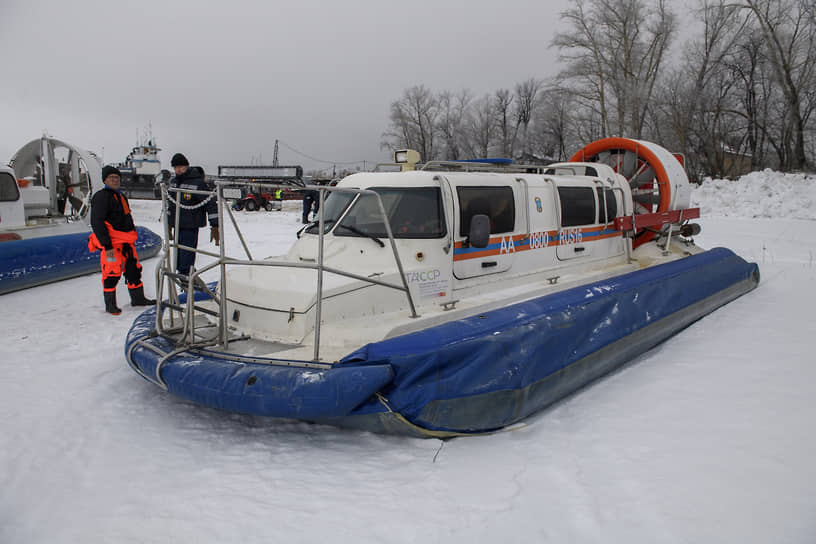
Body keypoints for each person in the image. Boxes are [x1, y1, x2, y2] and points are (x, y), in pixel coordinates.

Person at [89, 165, 156, 315]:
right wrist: (107, 245)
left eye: (117, 178)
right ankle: (110, 305)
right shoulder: (101, 197)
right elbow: (97, 222)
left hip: (126, 242)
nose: (115, 180)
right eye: (112, 178)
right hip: (112, 245)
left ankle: (138, 299)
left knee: (134, 270)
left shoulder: (121, 196)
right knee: (111, 273)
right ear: (105, 180)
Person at [166, 153, 219, 277]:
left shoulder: (197, 183)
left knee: (186, 260)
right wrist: (169, 224)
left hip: (190, 225)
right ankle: (185, 282)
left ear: (187, 166)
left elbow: (210, 203)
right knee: (178, 260)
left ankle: (189, 280)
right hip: (178, 226)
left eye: (181, 167)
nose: (178, 170)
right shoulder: (174, 183)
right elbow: (171, 205)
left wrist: (215, 225)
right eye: (175, 167)